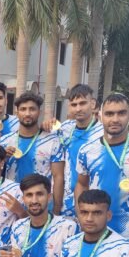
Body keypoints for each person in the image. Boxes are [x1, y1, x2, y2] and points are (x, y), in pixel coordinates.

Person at [75, 93, 129, 237]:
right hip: (97, 230)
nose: (115, 119)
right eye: (109, 114)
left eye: (121, 113)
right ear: (100, 116)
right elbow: (82, 184)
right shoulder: (87, 150)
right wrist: (81, 216)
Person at [45, 84, 104, 218]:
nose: (78, 108)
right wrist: (45, 125)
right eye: (74, 104)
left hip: (92, 199)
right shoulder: (65, 128)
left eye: (82, 103)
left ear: (92, 104)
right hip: (66, 199)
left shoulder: (103, 133)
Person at [3, 92, 65, 213]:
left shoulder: (52, 141)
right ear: (16, 112)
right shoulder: (5, 141)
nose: (27, 113)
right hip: (13, 204)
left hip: (41, 205)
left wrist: (57, 208)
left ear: (39, 112)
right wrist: (3, 158)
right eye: (23, 109)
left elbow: (58, 177)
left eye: (32, 109)